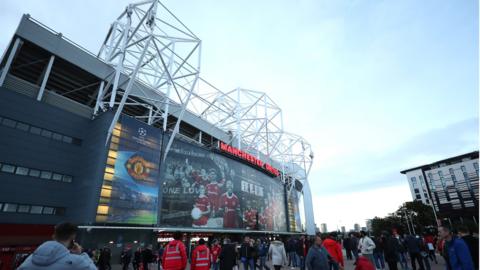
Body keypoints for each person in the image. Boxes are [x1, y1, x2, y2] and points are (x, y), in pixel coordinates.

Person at [18, 222, 96, 270]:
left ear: (54, 236)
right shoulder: (77, 262)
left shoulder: (30, 258)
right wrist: (81, 254)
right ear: (73, 237)